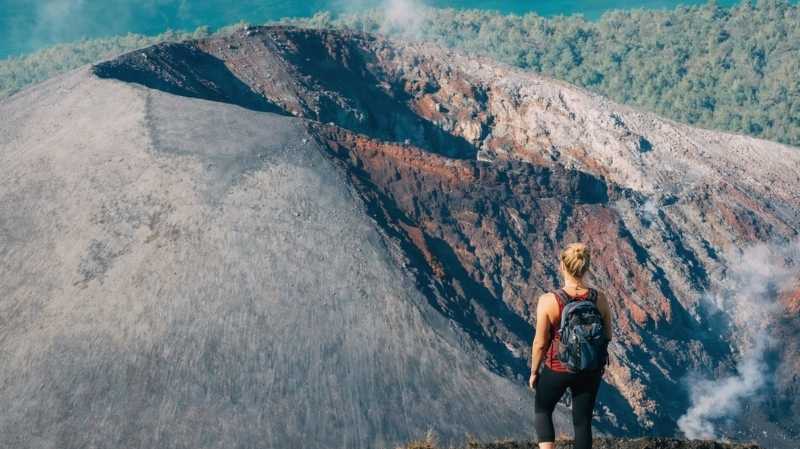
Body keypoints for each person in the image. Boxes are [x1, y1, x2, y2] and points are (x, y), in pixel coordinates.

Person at [528, 243, 613, 449]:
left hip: (558, 367)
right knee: (582, 422)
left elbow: (540, 342)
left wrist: (534, 372)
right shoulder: (599, 299)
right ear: (586, 268)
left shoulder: (549, 300)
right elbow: (607, 336)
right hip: (589, 369)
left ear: (562, 266)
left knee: (543, 409)